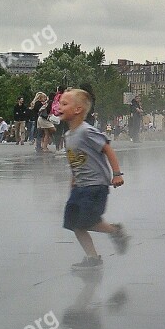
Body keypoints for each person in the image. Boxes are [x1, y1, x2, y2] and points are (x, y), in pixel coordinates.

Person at [59, 88, 130, 270]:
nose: (59, 106)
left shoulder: (86, 131)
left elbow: (107, 148)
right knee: (75, 224)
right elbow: (74, 163)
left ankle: (115, 231)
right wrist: (72, 183)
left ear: (78, 110)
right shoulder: (68, 136)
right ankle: (92, 258)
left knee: (88, 221)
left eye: (64, 103)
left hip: (95, 186)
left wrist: (117, 173)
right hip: (79, 187)